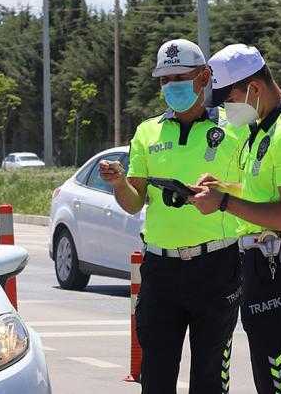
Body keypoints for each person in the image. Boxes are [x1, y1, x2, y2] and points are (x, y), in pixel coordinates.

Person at [100, 39, 245, 394]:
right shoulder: (147, 132)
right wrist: (119, 183)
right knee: (156, 376)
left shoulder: (239, 123)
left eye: (180, 77)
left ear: (204, 77)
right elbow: (135, 202)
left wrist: (222, 189)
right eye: (165, 80)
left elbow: (259, 183)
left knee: (209, 377)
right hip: (161, 269)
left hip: (217, 264)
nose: (172, 86)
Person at [190, 44, 281, 394]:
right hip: (262, 264)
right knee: (269, 376)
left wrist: (224, 203)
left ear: (254, 88)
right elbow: (261, 193)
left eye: (227, 100)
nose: (225, 110)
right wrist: (221, 189)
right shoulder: (261, 130)